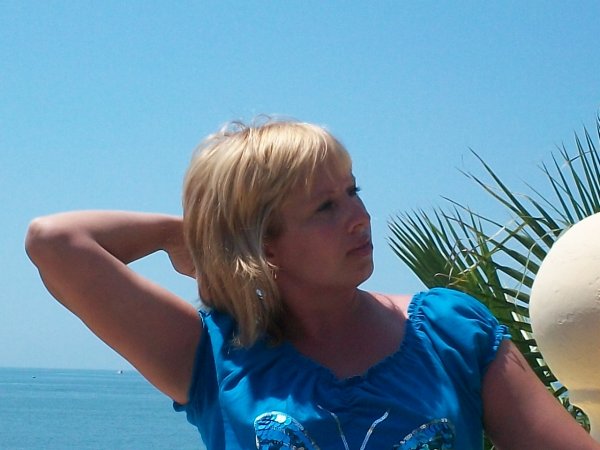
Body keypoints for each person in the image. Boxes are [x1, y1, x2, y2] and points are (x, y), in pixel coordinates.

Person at [26, 119, 599, 449]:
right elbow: (55, 242)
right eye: (326, 206)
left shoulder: (451, 331)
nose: (360, 216)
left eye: (353, 191)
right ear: (263, 242)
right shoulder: (213, 356)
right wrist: (197, 233)